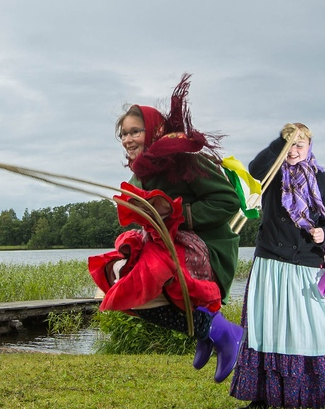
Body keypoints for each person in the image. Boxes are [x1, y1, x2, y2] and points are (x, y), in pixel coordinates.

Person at [88, 75, 244, 382]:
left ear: (154, 131)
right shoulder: (141, 173)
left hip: (206, 249)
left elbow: (228, 201)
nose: (127, 140)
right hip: (168, 245)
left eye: (135, 132)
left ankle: (222, 332)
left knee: (143, 277)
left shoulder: (186, 161)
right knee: (118, 277)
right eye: (123, 135)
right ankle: (208, 330)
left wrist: (176, 213)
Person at [230, 123, 325, 409]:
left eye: (299, 145)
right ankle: (264, 397)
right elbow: (254, 168)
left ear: (309, 146)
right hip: (271, 261)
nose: (294, 151)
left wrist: (324, 234)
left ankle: (323, 394)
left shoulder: (322, 178)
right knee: (267, 325)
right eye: (290, 144)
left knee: (320, 325)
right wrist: (280, 143)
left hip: (307, 261)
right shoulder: (271, 175)